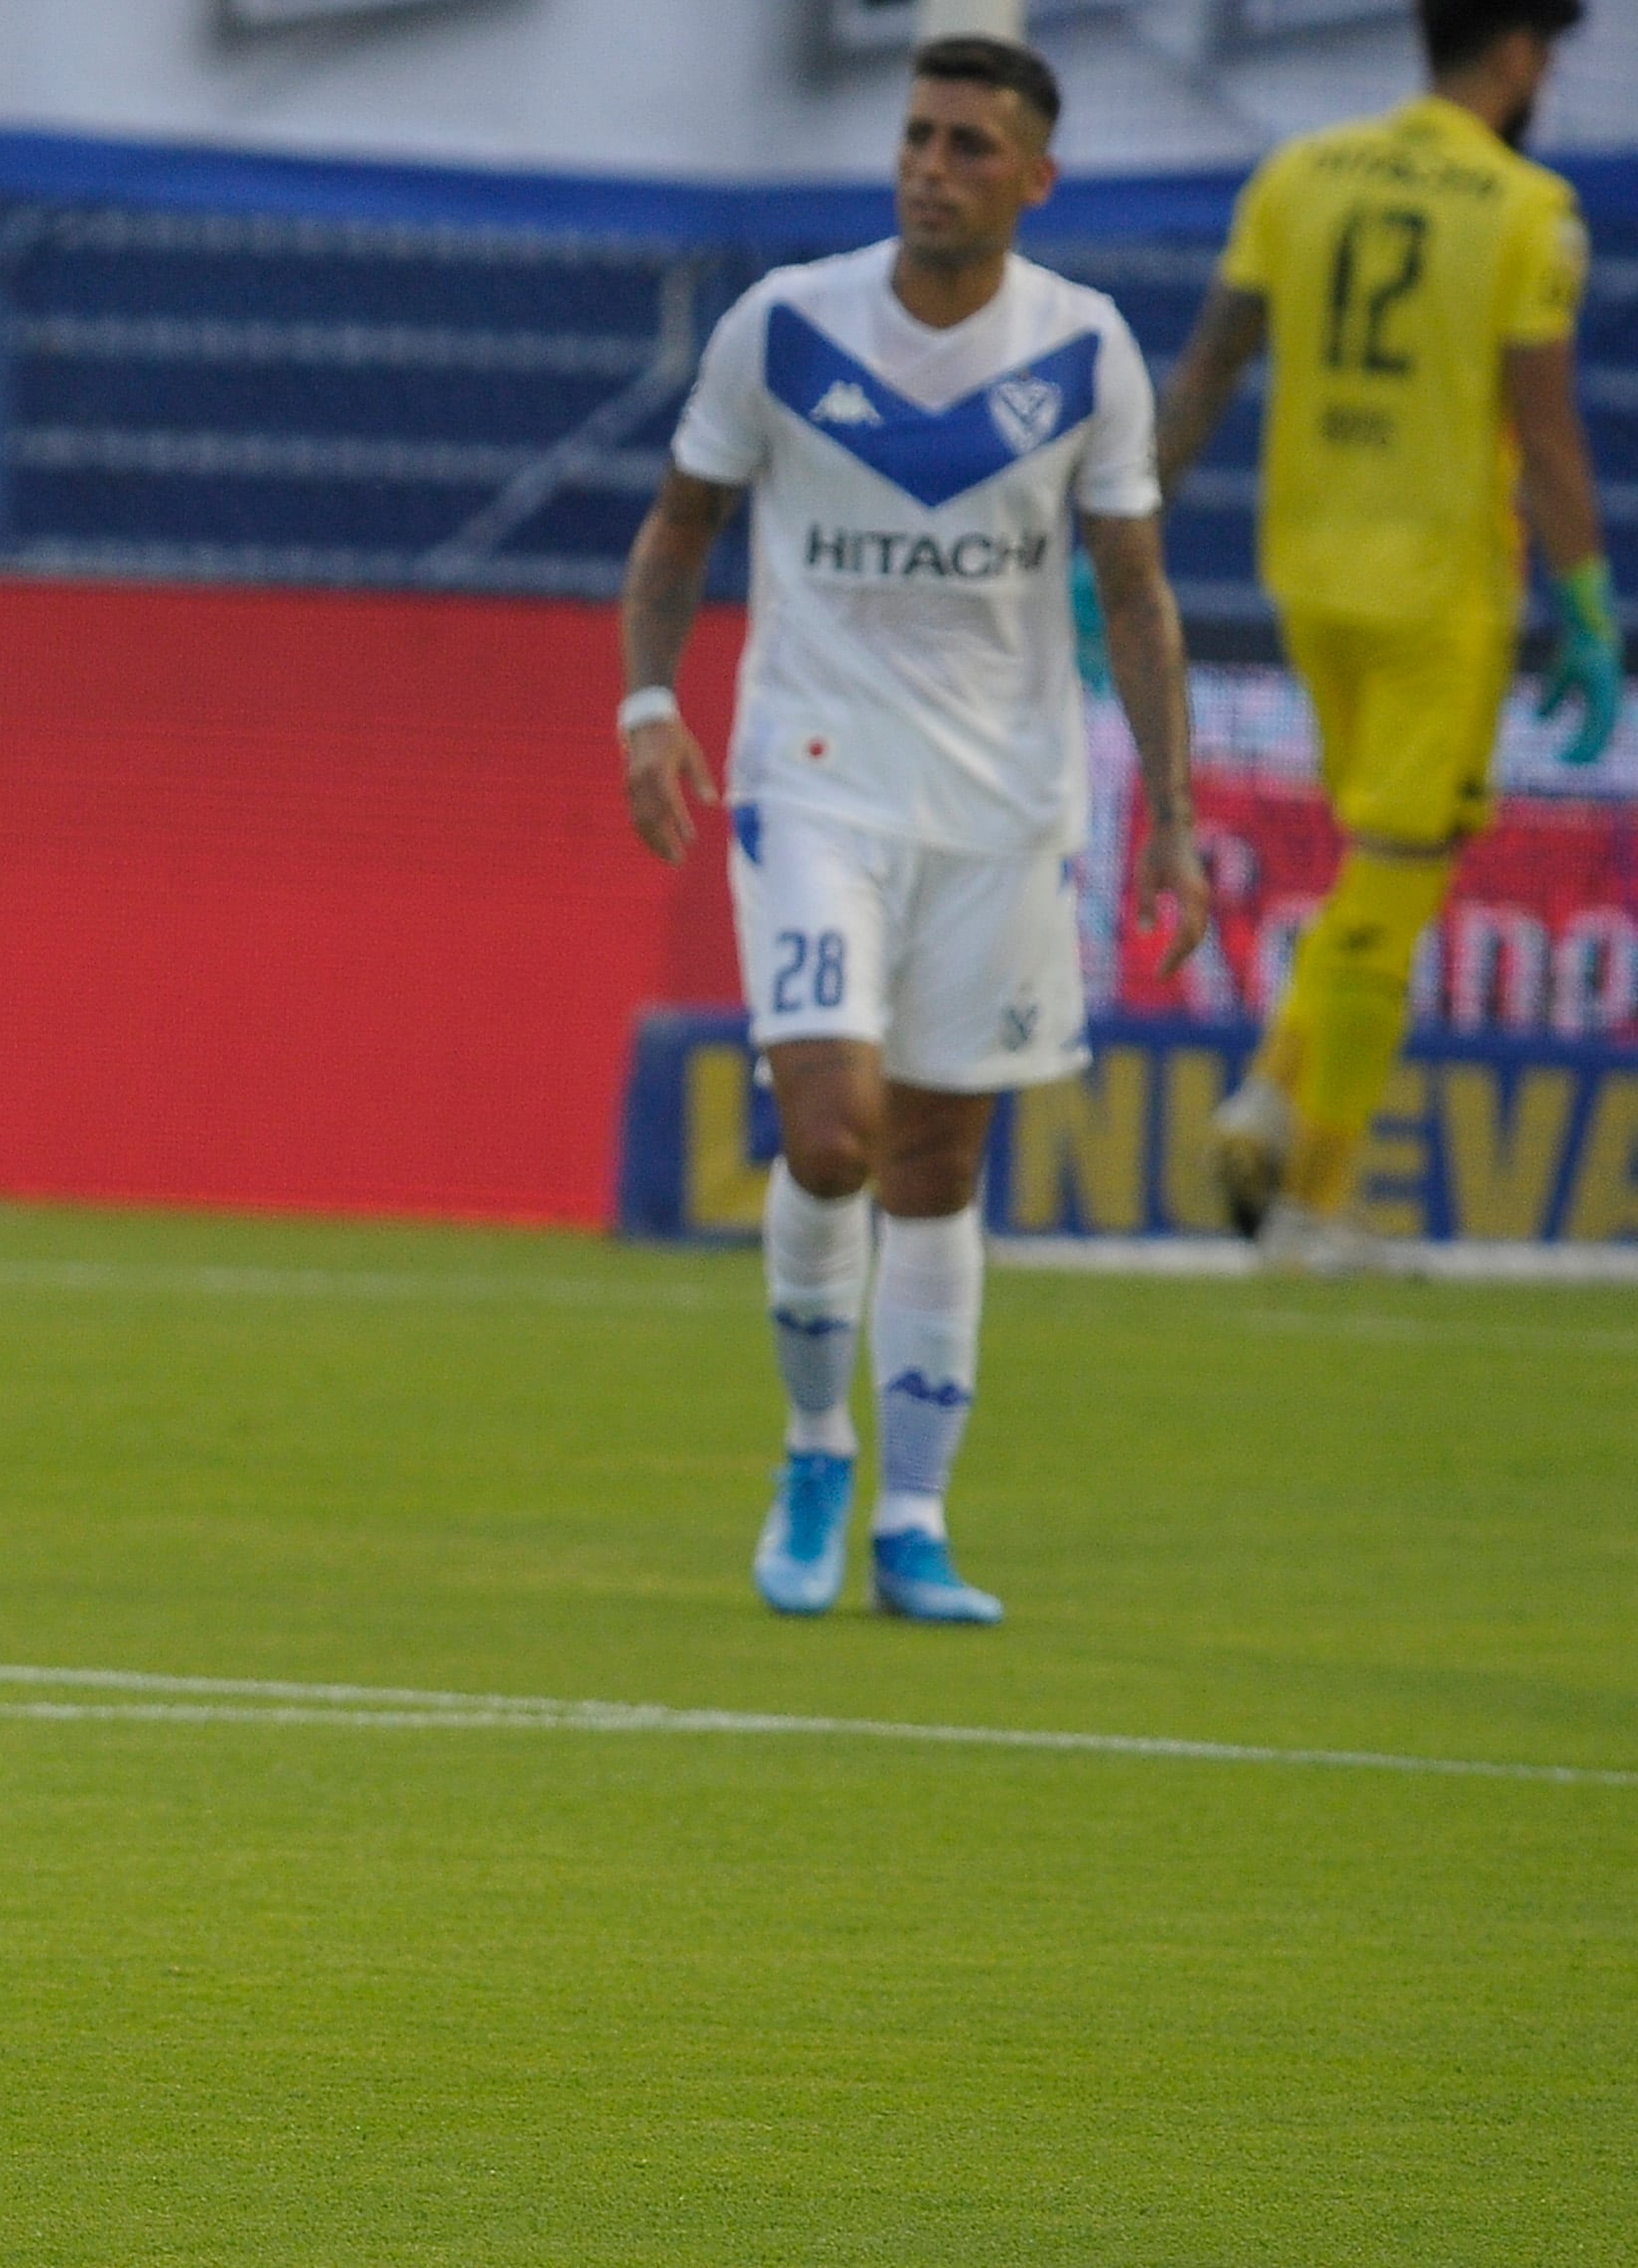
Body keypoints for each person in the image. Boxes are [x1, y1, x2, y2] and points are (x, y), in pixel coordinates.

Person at [616, 37, 1210, 1624]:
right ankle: (815, 1449)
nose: (928, 166)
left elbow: (1137, 593)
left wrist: (1168, 812)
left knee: (939, 1163)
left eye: (964, 144)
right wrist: (643, 703)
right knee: (828, 1132)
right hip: (812, 778)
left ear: (1031, 177)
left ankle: (914, 1522)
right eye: (914, 136)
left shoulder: (1082, 353)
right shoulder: (786, 324)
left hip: (1002, 804)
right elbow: (678, 525)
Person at [1156, 0, 1617, 1274]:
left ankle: (1280, 1113)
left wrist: (1123, 531)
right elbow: (1551, 430)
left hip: (1308, 573)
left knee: (1378, 867)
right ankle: (1307, 1186)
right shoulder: (1526, 209)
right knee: (1400, 879)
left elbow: (1202, 371)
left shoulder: (1296, 175)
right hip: (1437, 589)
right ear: (1519, 54)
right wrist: (1585, 598)